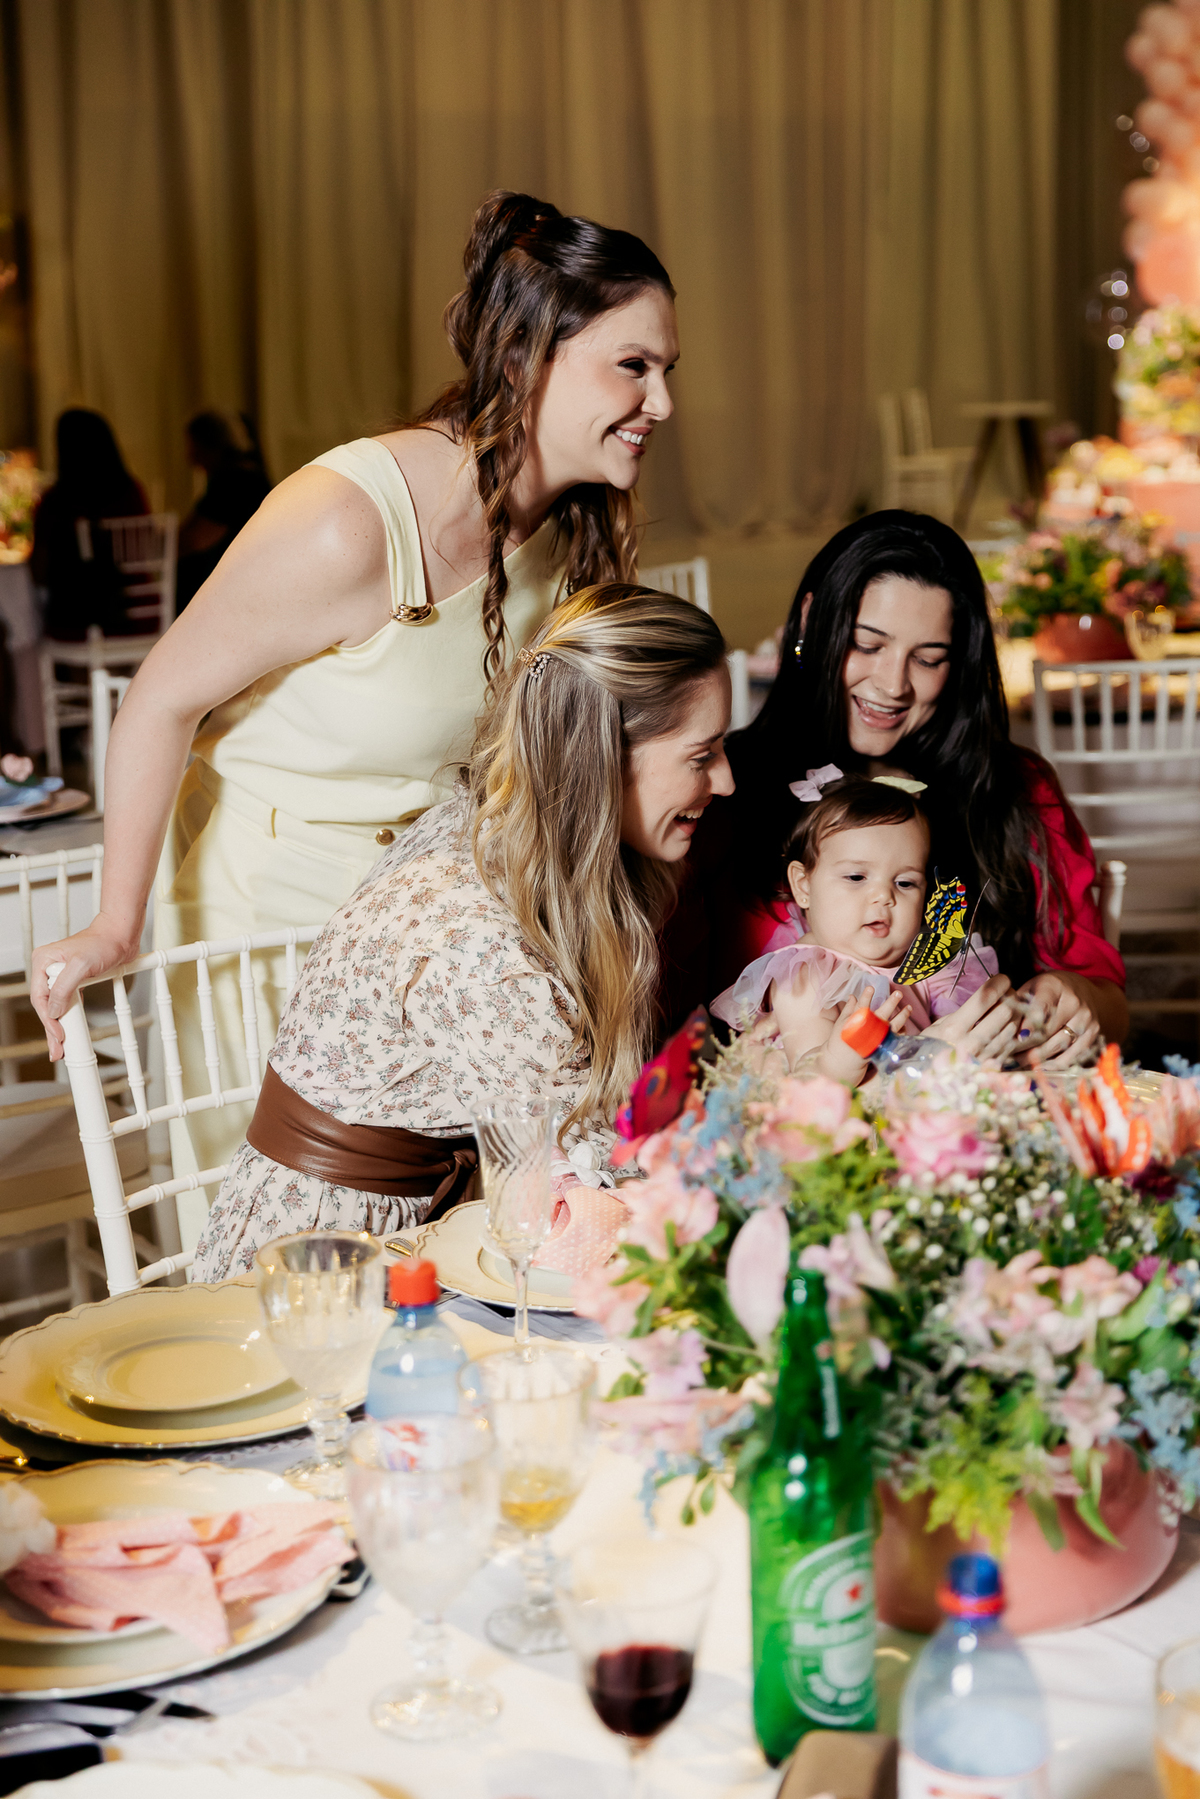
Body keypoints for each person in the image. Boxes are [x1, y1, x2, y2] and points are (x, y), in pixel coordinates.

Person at [31, 191, 680, 1182]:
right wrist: (115, 924)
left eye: (668, 370)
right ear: (525, 358)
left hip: (429, 942)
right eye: (634, 366)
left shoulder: (571, 536)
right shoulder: (353, 519)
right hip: (267, 941)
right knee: (282, 1252)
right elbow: (159, 698)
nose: (662, 403)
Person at [192, 585, 733, 1279]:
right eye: (702, 754)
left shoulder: (492, 827)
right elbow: (590, 1205)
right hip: (326, 1266)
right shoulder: (485, 944)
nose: (726, 780)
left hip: (435, 1233)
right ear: (603, 757)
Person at [669, 510, 1127, 1070]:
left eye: (928, 658)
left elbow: (1109, 1002)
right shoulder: (723, 788)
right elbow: (661, 1017)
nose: (892, 685)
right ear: (811, 621)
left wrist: (1076, 997)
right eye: (867, 645)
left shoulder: (1014, 789)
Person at [710, 771, 1012, 1084]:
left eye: (905, 882)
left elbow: (967, 1036)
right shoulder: (804, 972)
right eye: (856, 877)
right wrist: (839, 1060)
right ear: (803, 885)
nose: (884, 896)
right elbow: (809, 1076)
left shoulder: (925, 965)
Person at [32, 410, 148, 640]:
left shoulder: (56, 503)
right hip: (139, 610)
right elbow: (144, 549)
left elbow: (39, 572)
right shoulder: (132, 493)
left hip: (80, 619)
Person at [175, 411, 271, 609]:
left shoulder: (235, 482)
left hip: (231, 595)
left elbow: (195, 539)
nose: (190, 457)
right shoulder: (243, 476)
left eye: (193, 446)